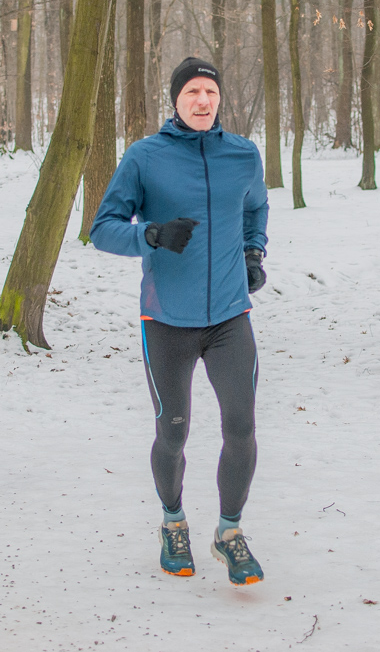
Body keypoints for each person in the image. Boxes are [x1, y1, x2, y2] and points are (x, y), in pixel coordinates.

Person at [90, 57, 270, 586]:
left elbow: (255, 209)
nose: (202, 101)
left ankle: (230, 533)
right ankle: (173, 522)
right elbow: (102, 228)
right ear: (175, 99)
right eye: (192, 91)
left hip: (230, 319)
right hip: (166, 319)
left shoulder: (243, 154)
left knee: (242, 428)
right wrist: (148, 235)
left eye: (210, 92)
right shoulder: (145, 157)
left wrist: (253, 253)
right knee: (174, 433)